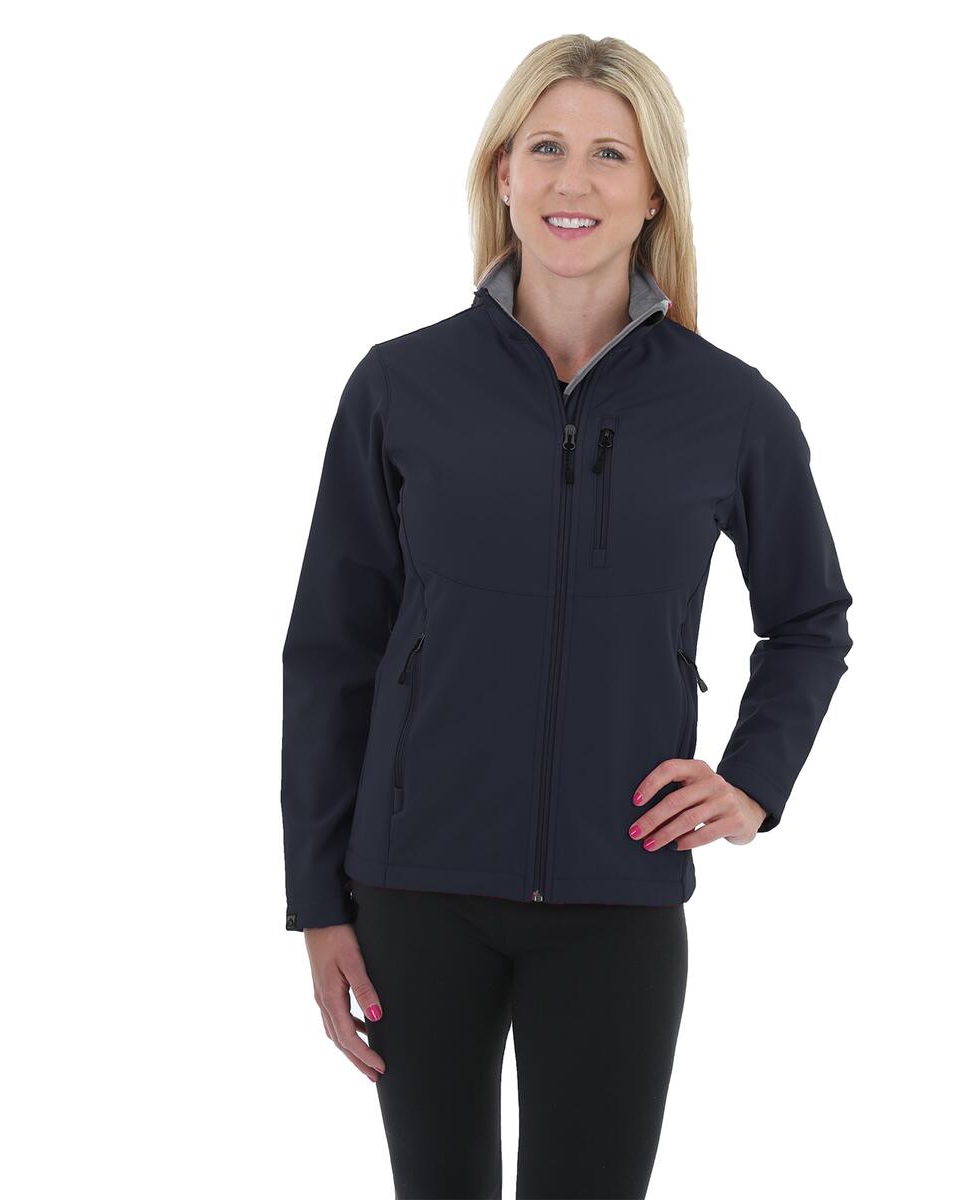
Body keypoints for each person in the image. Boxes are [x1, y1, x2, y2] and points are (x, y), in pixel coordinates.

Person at [280, 33, 854, 1200]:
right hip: (414, 895)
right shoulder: (399, 386)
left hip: (617, 897)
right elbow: (332, 651)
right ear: (502, 174)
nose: (572, 181)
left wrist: (752, 782)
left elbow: (810, 617)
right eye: (545, 148)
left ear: (653, 192)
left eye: (609, 154)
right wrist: (316, 904)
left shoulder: (729, 409)